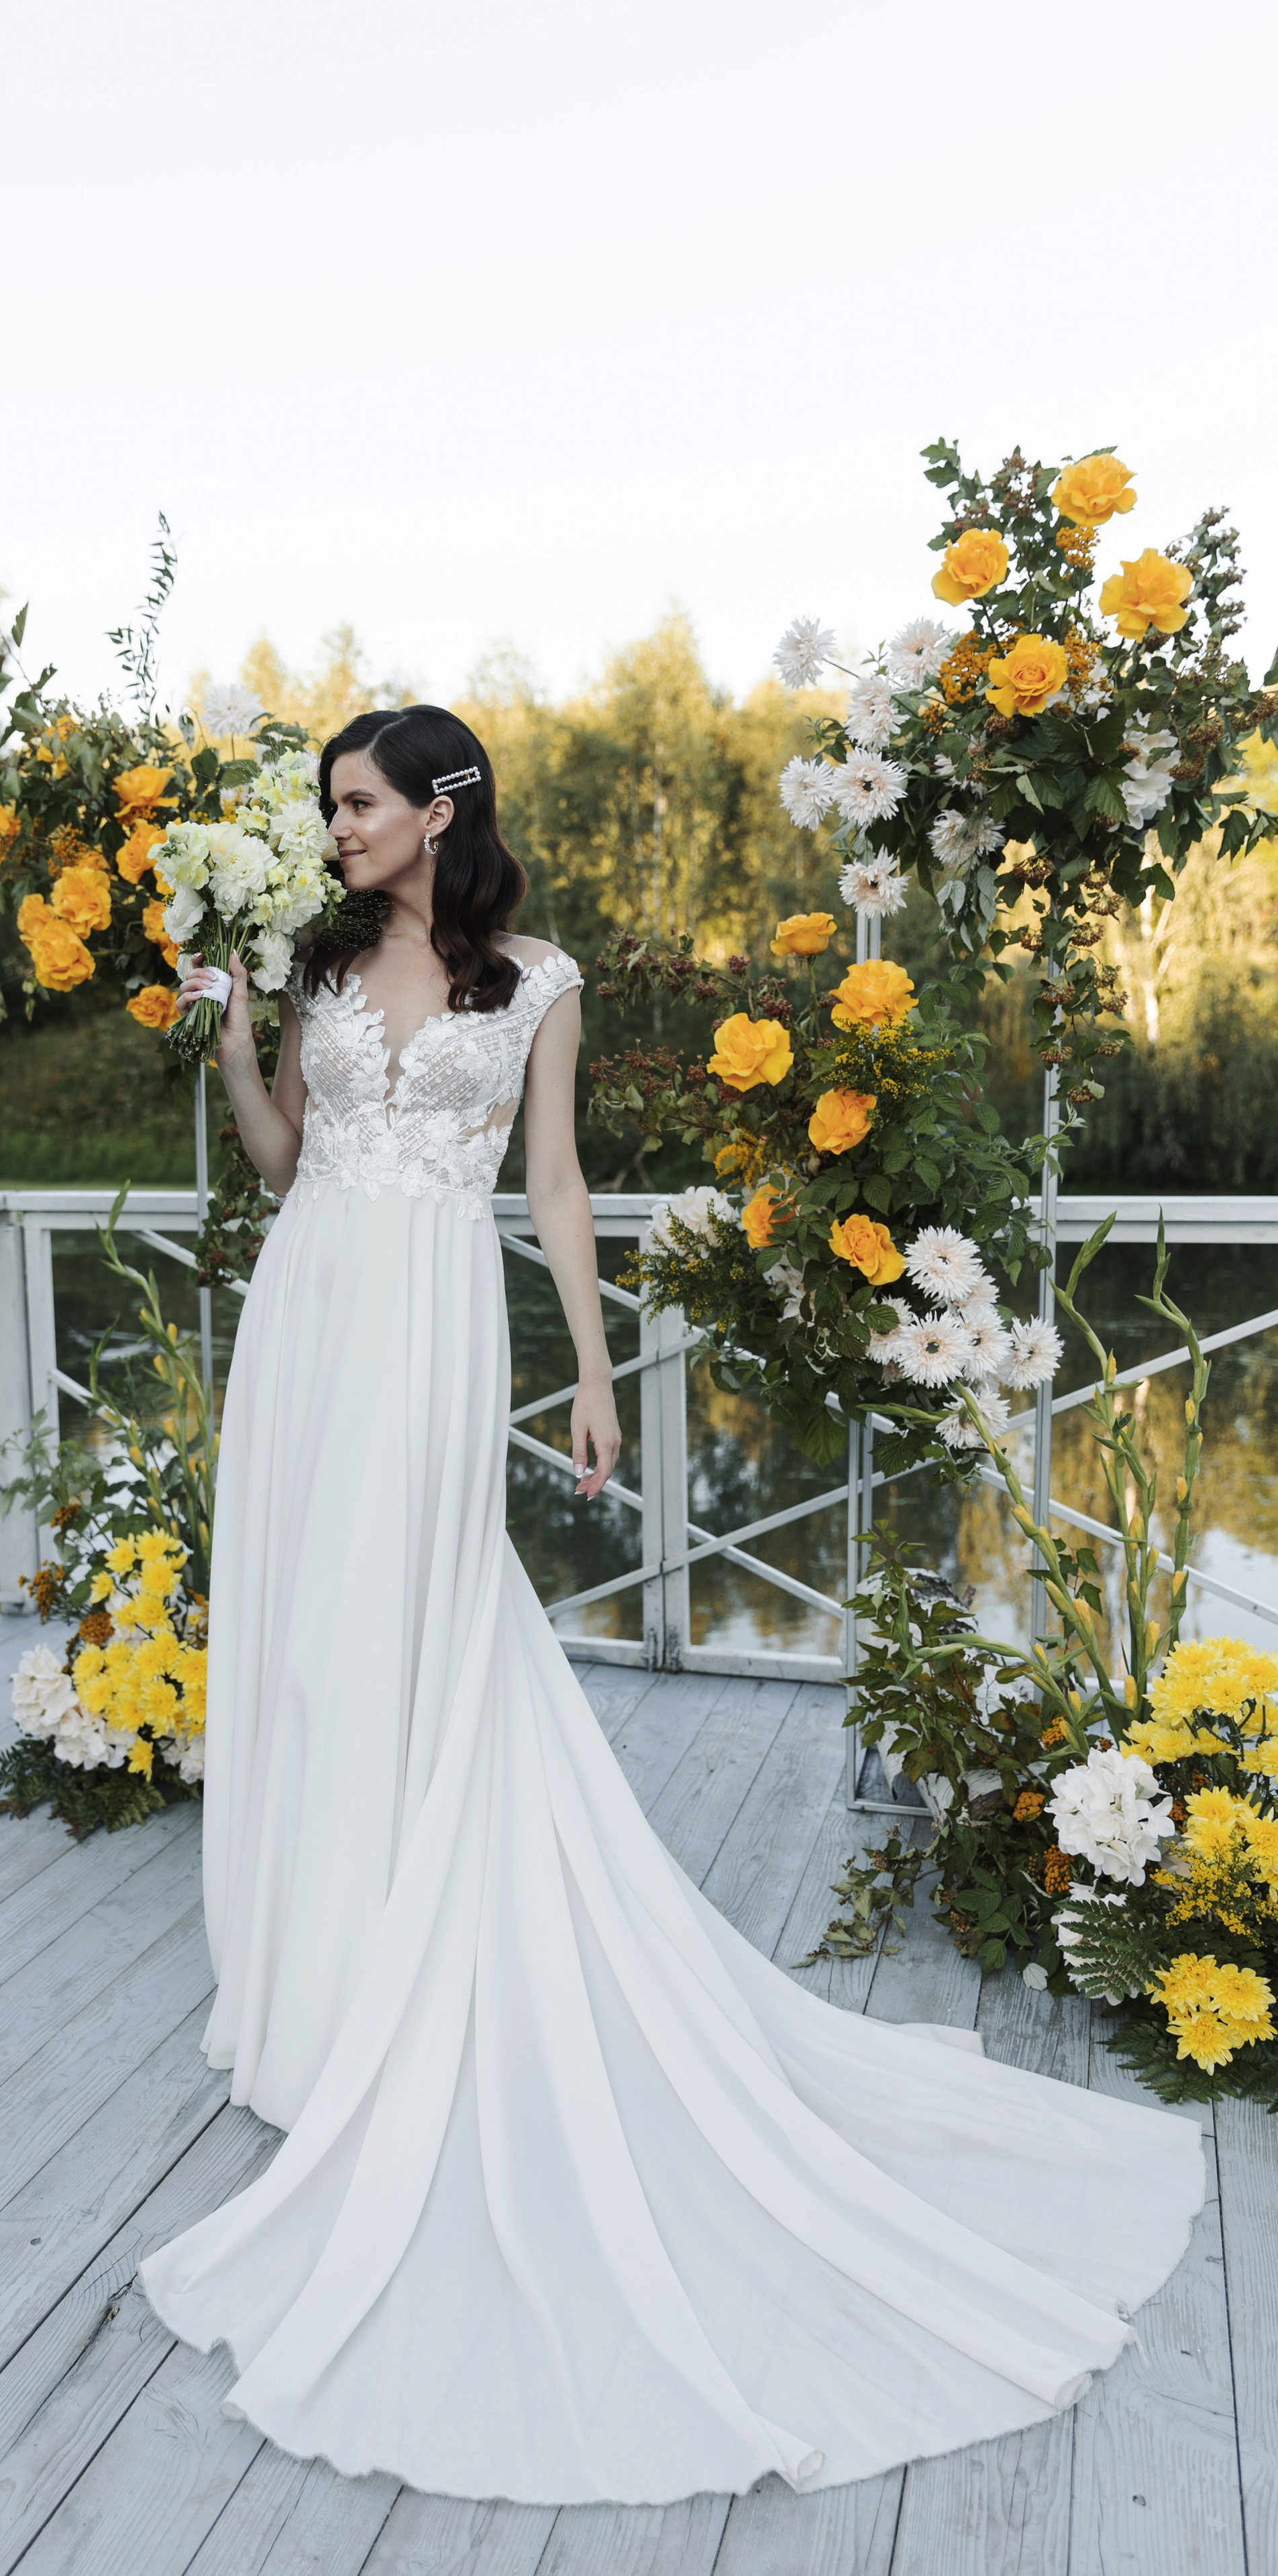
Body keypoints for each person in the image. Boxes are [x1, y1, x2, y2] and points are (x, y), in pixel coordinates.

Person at [139, 704, 1203, 2505]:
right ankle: (306, 1998)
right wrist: (238, 1045)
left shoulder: (536, 974)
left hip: (430, 1322)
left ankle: (390, 1986)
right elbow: (275, 1165)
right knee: (308, 1656)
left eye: (360, 803)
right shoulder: (311, 955)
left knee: (413, 1628)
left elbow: (551, 1181)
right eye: (327, 808)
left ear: (439, 810)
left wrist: (596, 1367)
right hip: (308, 1312)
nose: (335, 830)